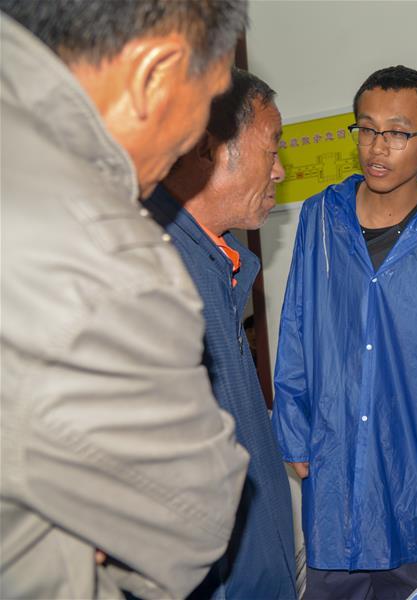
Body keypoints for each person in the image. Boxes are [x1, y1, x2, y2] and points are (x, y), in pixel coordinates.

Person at [0, 2, 251, 598]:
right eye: (209, 99)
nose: (197, 140)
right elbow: (196, 519)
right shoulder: (100, 254)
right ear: (154, 74)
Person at [272, 65, 417, 599]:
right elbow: (296, 327)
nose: (378, 147)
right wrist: (294, 427)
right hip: (334, 460)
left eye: (398, 133)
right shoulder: (321, 218)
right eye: (367, 129)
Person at [145, 67, 296, 599]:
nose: (279, 170)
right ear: (210, 148)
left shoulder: (218, 264)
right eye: (271, 149)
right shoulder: (158, 276)